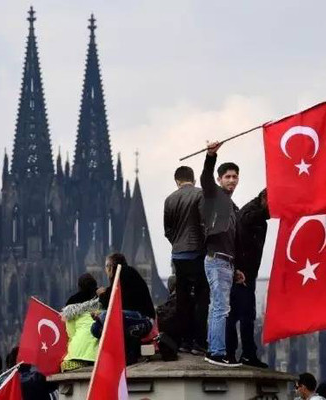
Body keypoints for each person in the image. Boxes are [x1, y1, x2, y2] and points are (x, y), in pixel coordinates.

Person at [200, 141, 244, 367]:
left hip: (226, 263)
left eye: (235, 176)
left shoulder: (231, 206)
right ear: (220, 180)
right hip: (216, 259)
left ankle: (215, 348)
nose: (232, 180)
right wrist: (210, 156)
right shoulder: (214, 195)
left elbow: (232, 241)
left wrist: (236, 269)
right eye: (227, 176)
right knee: (220, 307)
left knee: (218, 307)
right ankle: (216, 352)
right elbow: (205, 180)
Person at [163, 165, 208, 355]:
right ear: (194, 179)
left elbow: (168, 230)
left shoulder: (170, 199)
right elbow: (204, 223)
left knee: (182, 300)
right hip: (197, 254)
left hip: (178, 255)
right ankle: (199, 342)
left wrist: (177, 244)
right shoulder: (200, 194)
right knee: (201, 298)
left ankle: (184, 342)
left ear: (177, 181)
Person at [226, 188, 269, 368]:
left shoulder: (254, 214)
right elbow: (238, 243)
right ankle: (245, 354)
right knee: (245, 315)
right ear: (265, 199)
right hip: (242, 276)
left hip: (245, 274)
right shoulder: (250, 215)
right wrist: (238, 270)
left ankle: (233, 353)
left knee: (236, 315)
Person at [92, 253, 155, 364]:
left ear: (112, 266)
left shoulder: (125, 273)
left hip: (143, 318)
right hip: (128, 317)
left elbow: (111, 301)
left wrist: (102, 295)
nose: (106, 270)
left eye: (107, 266)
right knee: (95, 327)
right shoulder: (120, 277)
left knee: (106, 316)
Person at [60, 273, 100, 371]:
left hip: (78, 352)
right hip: (101, 352)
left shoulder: (71, 306)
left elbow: (71, 333)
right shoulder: (103, 299)